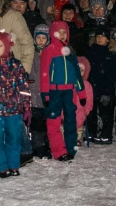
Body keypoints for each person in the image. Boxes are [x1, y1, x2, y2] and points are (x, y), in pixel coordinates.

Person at [0, 31, 31, 178]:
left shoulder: (16, 65)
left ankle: (13, 165)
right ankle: (0, 167)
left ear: (8, 46)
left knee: (14, 139)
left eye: (0, 45)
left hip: (14, 111)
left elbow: (24, 89)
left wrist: (26, 109)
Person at [39, 21, 84, 160]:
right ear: (53, 34)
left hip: (69, 91)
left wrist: (81, 92)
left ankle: (70, 149)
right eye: (59, 32)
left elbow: (76, 73)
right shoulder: (49, 51)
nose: (62, 35)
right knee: (54, 121)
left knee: (71, 120)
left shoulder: (70, 51)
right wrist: (45, 94)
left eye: (64, 32)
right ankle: (59, 151)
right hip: (55, 92)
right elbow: (44, 74)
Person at [86, 28, 116, 145]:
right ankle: (91, 133)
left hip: (105, 87)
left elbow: (112, 74)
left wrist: (108, 90)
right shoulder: (90, 52)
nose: (100, 38)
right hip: (91, 87)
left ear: (108, 40)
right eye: (98, 36)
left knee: (106, 113)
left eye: (103, 36)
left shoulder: (111, 54)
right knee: (90, 112)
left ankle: (106, 134)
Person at [28, 24, 52, 158]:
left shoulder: (50, 53)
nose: (41, 40)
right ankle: (37, 146)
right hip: (33, 93)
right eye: (39, 38)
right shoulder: (31, 53)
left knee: (46, 122)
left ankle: (45, 145)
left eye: (44, 38)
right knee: (36, 124)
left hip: (46, 95)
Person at [74, 57, 94, 147]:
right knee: (65, 125)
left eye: (81, 70)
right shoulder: (69, 83)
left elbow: (89, 98)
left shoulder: (86, 84)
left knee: (79, 125)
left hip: (80, 110)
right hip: (68, 109)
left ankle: (77, 139)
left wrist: (87, 108)